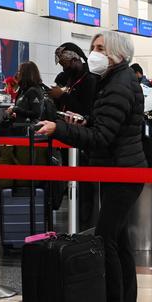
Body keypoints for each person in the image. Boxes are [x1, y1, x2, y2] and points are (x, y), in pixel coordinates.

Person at [38, 31, 146, 302]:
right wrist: (84, 123)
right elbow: (106, 128)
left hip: (122, 171)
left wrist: (59, 129)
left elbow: (102, 138)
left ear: (118, 54)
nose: (94, 53)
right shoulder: (111, 81)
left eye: (101, 48)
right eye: (93, 47)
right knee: (118, 240)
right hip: (118, 168)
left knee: (106, 238)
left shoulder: (119, 84)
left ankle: (114, 296)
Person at [50, 43, 99, 230]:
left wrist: (62, 96)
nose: (63, 68)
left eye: (65, 64)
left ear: (75, 59)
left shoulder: (90, 79)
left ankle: (87, 222)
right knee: (75, 185)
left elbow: (85, 109)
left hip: (84, 138)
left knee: (86, 187)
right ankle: (78, 220)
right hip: (68, 135)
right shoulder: (68, 77)